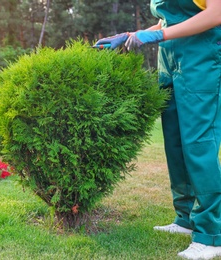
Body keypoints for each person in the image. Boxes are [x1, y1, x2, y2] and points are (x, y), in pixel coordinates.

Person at [94, 0, 221, 259]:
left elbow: (216, 14)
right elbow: (169, 21)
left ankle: (211, 234)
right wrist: (132, 35)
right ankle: (185, 218)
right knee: (174, 143)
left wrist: (158, 34)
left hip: (201, 60)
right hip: (169, 60)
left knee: (198, 144)